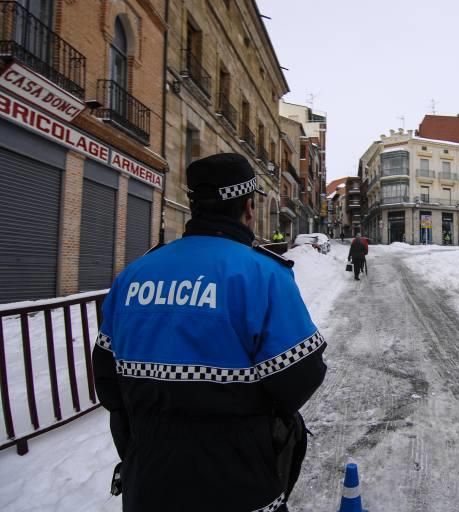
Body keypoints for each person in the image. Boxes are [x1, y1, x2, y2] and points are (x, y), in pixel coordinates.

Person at [92, 153, 327, 512]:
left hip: (149, 483)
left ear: (195, 206)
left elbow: (107, 379)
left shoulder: (133, 276)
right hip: (239, 483)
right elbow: (300, 376)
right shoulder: (263, 275)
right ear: (248, 207)